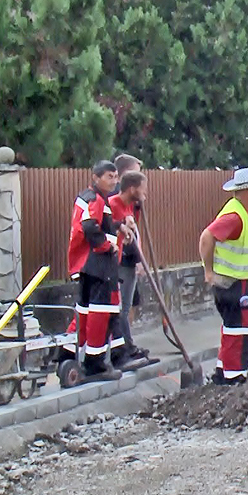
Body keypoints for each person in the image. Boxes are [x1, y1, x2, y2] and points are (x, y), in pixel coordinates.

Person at [198, 168, 248, 385]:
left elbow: (242, 238)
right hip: (232, 283)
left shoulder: (244, 212)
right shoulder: (235, 215)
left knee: (232, 328)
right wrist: (208, 270)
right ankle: (234, 377)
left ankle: (223, 371)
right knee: (243, 333)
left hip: (237, 281)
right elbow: (207, 237)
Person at [67, 160, 147, 378]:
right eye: (108, 177)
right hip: (98, 264)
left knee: (88, 311)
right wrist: (107, 245)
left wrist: (119, 226)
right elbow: (91, 227)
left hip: (88, 265)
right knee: (102, 313)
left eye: (115, 177)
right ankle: (95, 364)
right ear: (96, 177)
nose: (113, 181)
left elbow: (101, 223)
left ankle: (68, 353)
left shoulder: (92, 198)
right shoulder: (96, 200)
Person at [109, 170, 154, 363]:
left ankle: (126, 347)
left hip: (128, 261)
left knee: (125, 307)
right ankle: (125, 348)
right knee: (121, 309)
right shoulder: (112, 205)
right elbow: (106, 227)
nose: (145, 193)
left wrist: (140, 258)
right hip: (116, 263)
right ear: (133, 188)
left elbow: (134, 236)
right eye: (143, 188)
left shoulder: (130, 207)